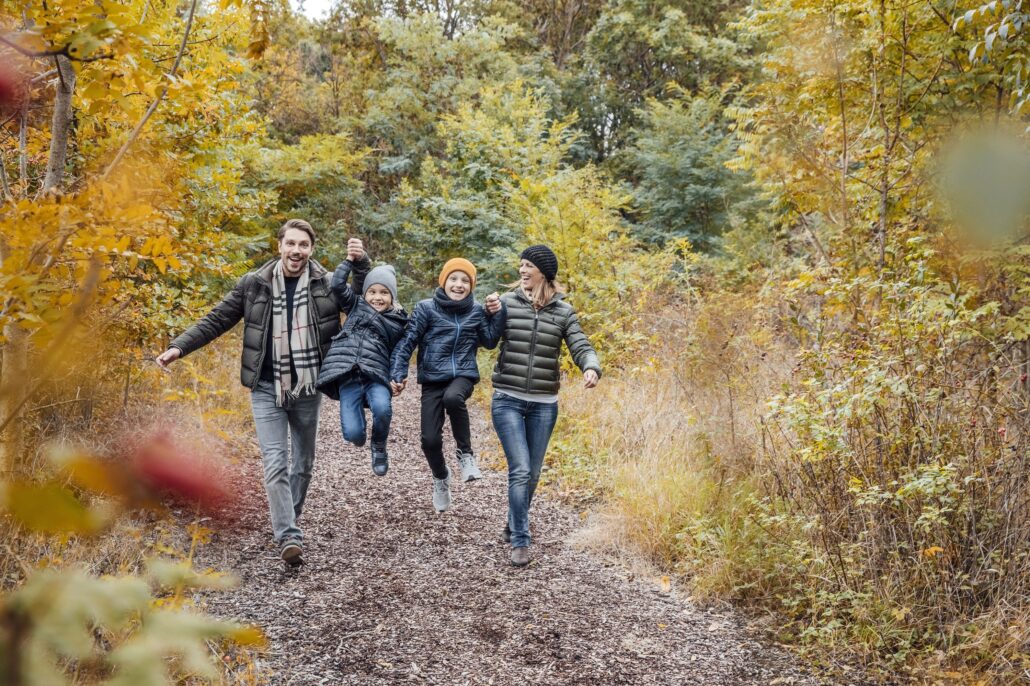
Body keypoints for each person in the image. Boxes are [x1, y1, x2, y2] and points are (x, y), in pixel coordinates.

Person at [155, 219, 343, 567]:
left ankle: (289, 517)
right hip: (265, 388)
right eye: (291, 244)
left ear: (311, 250)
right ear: (279, 246)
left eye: (303, 245)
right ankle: (288, 535)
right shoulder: (254, 284)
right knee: (275, 463)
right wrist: (178, 348)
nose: (296, 251)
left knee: (303, 463)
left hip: (307, 385)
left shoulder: (327, 284)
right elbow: (216, 320)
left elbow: (365, 311)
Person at [491, 245, 601, 567]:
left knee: (534, 473)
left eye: (528, 266)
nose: (522, 271)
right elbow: (484, 337)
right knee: (521, 469)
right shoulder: (507, 304)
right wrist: (488, 313)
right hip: (507, 398)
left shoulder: (563, 312)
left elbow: (581, 344)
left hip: (543, 404)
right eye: (521, 265)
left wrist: (591, 366)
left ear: (543, 272)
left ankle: (513, 522)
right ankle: (521, 539)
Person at [390, 258, 505, 512]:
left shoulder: (476, 310)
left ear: (471, 286)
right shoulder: (425, 309)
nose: (459, 284)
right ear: (444, 281)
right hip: (432, 379)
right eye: (454, 278)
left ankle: (466, 455)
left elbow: (488, 341)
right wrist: (398, 372)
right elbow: (407, 342)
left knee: (453, 398)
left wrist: (497, 313)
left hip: (462, 375)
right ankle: (441, 477)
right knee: (429, 440)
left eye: (465, 280)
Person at [315, 238, 408, 477]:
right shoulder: (355, 305)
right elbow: (337, 284)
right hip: (348, 375)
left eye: (384, 293)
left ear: (392, 296)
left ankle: (379, 447)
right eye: (373, 291)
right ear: (365, 293)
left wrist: (397, 376)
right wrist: (349, 261)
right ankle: (361, 435)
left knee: (383, 408)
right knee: (353, 435)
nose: (377, 297)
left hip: (376, 375)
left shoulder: (398, 322)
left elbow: (400, 353)